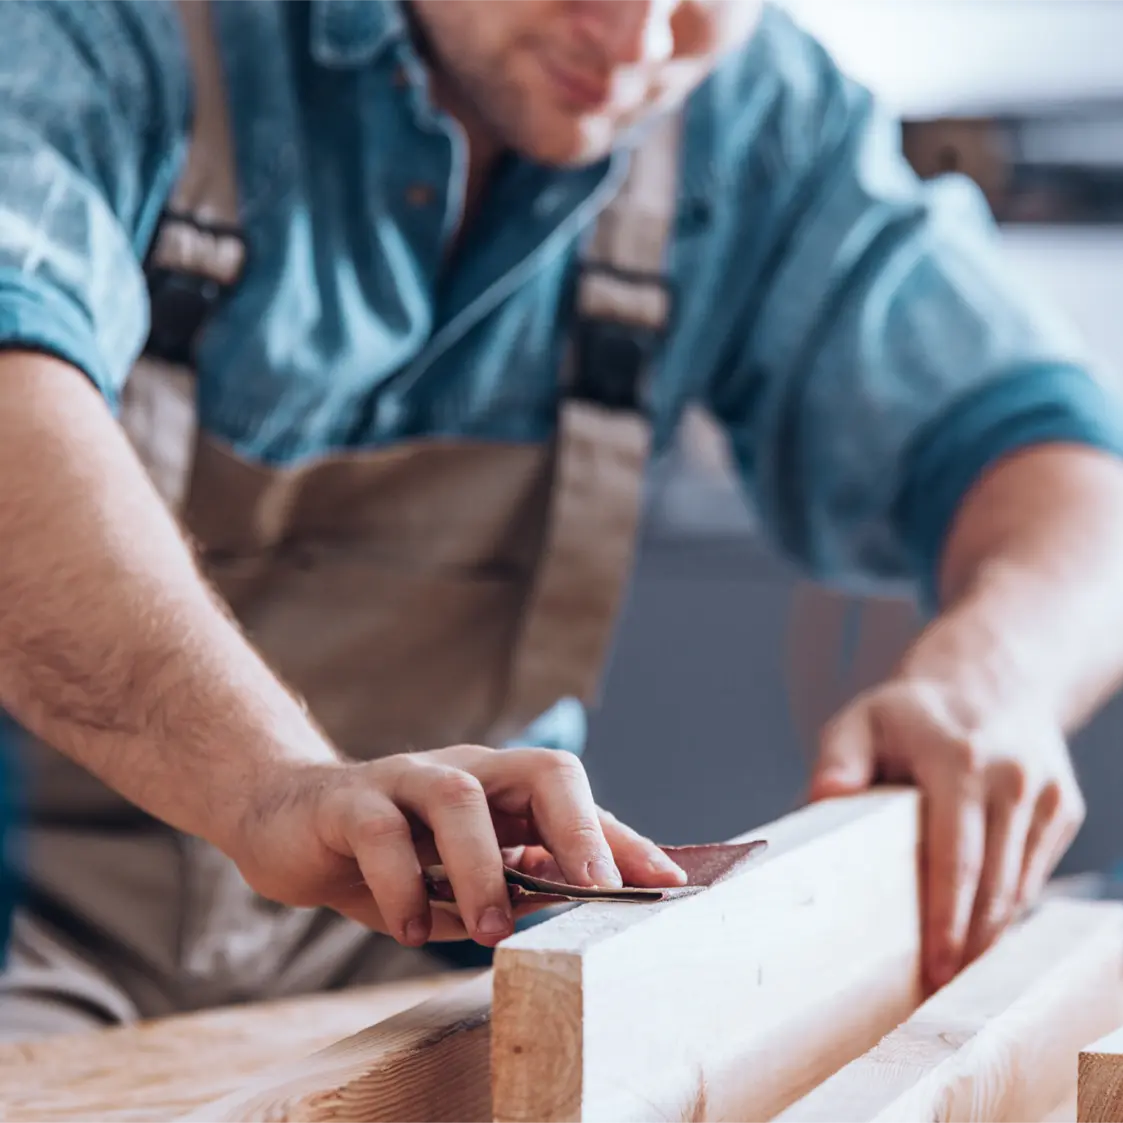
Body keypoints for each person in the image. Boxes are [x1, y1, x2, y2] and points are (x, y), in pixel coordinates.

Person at [1, 0, 1122, 1039]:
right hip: (32, 947)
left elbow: (1057, 464)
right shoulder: (106, 32)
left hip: (432, 988)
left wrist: (989, 681)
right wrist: (268, 782)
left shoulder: (746, 118)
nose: (635, 36)